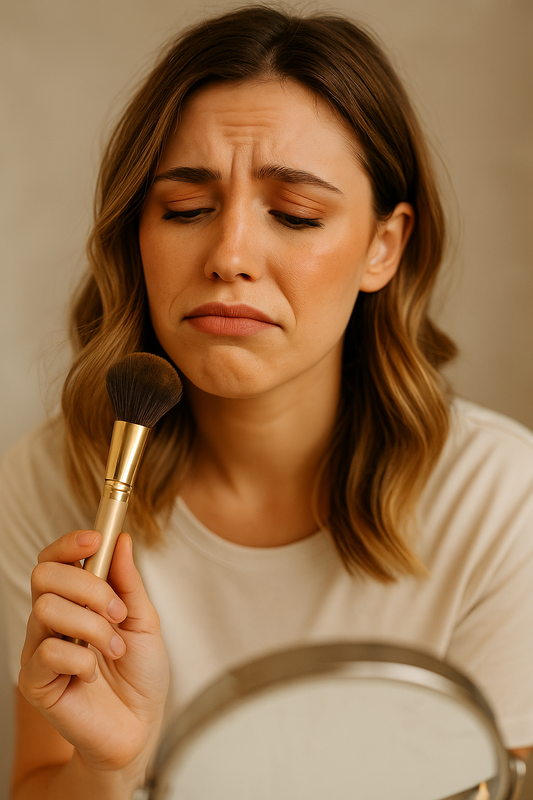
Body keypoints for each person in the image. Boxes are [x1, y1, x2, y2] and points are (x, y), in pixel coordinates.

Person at [1, 5, 533, 798]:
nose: (230, 256)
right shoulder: (57, 481)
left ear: (382, 247)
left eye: (294, 214)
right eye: (184, 209)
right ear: (134, 232)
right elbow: (41, 781)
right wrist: (110, 767)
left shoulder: (498, 500)